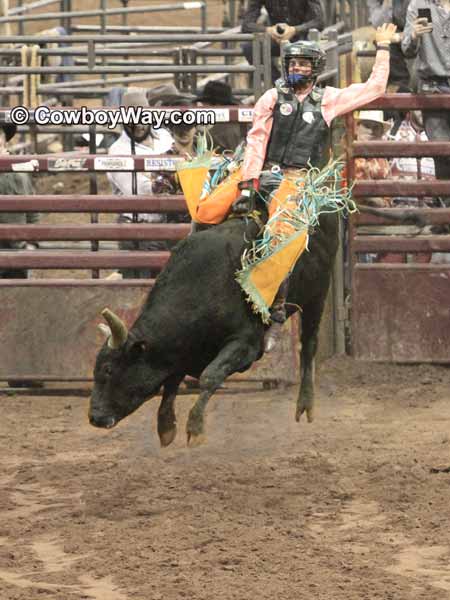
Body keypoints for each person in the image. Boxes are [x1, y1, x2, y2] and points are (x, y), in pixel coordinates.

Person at [232, 23, 398, 351]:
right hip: (264, 173)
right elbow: (256, 140)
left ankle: (274, 309)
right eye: (292, 63)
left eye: (303, 64)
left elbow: (375, 87)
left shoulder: (328, 100)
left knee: (280, 229)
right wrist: (247, 184)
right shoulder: (270, 97)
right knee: (208, 208)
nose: (296, 68)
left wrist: (382, 47)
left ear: (315, 68)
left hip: (300, 180)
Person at [107, 89, 174, 279]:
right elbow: (142, 190)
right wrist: (170, 178)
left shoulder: (165, 138)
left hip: (167, 225)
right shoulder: (117, 151)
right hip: (138, 229)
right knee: (139, 288)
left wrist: (156, 177)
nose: (138, 124)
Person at [402, 0, 450, 209]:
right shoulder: (418, 4)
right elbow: (407, 49)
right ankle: (445, 216)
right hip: (433, 87)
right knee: (442, 154)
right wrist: (414, 35)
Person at [241, 0, 325, 83]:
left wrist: (295, 30)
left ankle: (294, 85)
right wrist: (269, 30)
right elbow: (246, 25)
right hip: (277, 37)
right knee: (249, 48)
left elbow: (319, 22)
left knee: (305, 50)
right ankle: (277, 84)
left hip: (304, 37)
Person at [367, 0, 412, 89]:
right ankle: (399, 85)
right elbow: (379, 25)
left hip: (413, 33)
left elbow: (413, 22)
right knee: (383, 39)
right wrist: (387, 3)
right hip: (395, 35)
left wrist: (403, 35)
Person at [195, 80, 248, 154]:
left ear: (217, 105)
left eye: (204, 103)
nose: (202, 107)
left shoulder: (220, 131)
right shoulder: (237, 123)